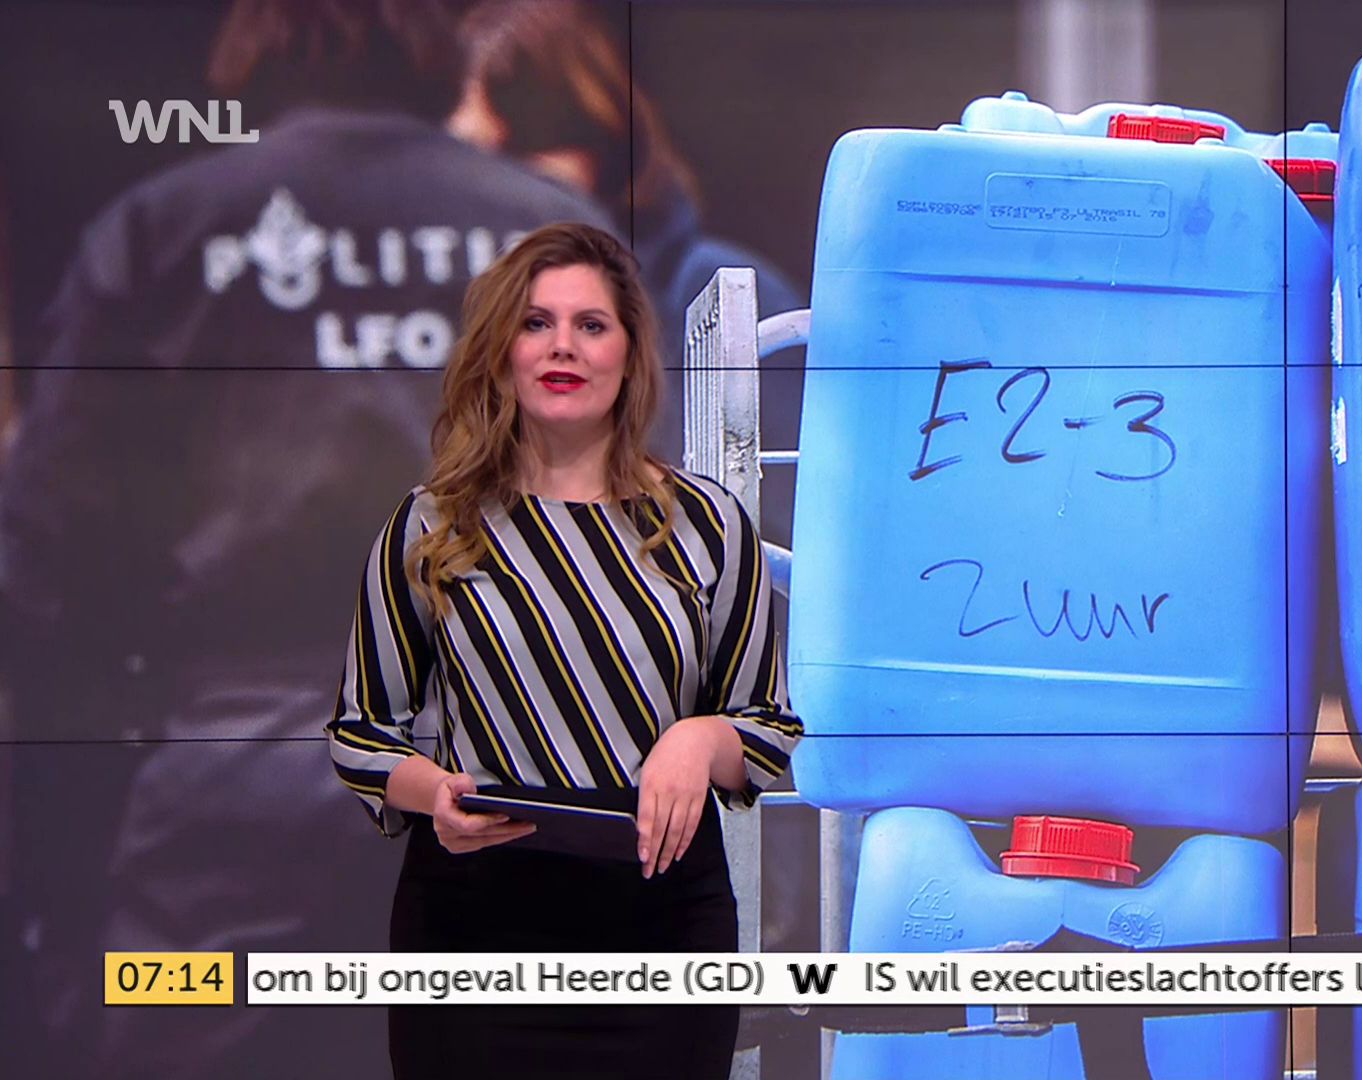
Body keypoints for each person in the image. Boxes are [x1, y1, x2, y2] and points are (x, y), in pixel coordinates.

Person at [0, 2, 626, 1075]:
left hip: (231, 787)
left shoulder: (166, 229)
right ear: (442, 55)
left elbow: (51, 554)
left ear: (252, 53)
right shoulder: (548, 234)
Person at [326, 221, 802, 1079]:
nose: (563, 347)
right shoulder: (433, 525)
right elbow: (362, 732)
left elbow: (766, 728)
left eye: (591, 325)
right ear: (502, 350)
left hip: (661, 925)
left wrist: (698, 739)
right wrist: (434, 795)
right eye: (536, 322)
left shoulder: (708, 526)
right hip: (474, 925)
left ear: (630, 353)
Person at [446, 0, 807, 541]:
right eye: (475, 162)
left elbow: (789, 541)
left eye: (527, 142)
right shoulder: (444, 316)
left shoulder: (721, 296)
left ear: (608, 143)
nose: (506, 191)